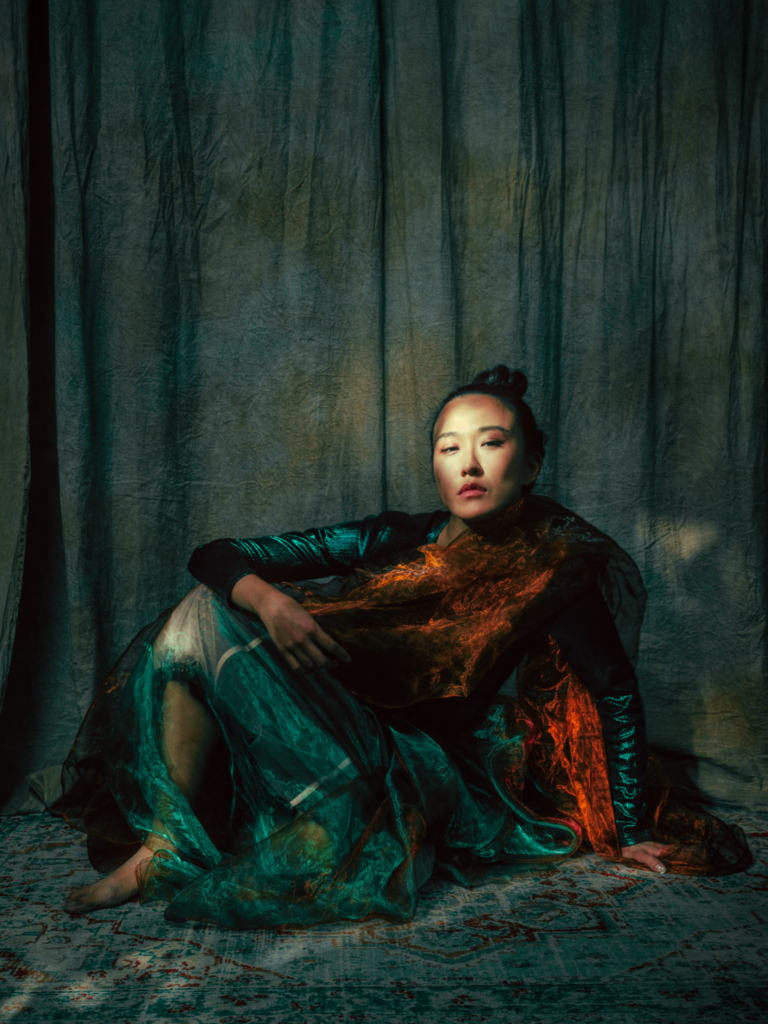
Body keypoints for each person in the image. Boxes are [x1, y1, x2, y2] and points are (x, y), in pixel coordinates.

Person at [63, 366, 750, 927]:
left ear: (532, 461)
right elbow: (217, 554)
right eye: (449, 447)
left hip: (424, 764)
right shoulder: (398, 536)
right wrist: (271, 601)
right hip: (327, 727)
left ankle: (342, 823)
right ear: (435, 465)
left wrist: (630, 829)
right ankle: (164, 848)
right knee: (208, 606)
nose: (469, 463)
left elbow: (616, 692)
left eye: (492, 443)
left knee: (325, 851)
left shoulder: (553, 569)